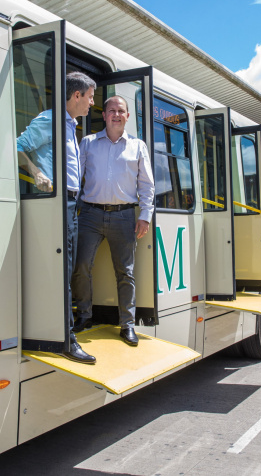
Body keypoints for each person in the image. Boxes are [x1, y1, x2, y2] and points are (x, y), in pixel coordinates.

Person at [16, 71, 96, 364]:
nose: (91, 104)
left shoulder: (70, 126)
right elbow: (17, 148)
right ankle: (66, 339)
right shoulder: (50, 120)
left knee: (69, 267)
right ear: (76, 95)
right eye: (89, 98)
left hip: (73, 205)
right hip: (57, 203)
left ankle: (62, 331)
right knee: (62, 270)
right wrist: (36, 172)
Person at [72, 95, 154, 347]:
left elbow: (147, 185)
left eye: (121, 111)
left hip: (124, 216)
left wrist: (144, 216)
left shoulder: (138, 146)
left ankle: (127, 325)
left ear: (127, 116)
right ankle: (84, 316)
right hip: (90, 214)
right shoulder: (88, 143)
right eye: (111, 111)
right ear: (104, 115)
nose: (116, 115)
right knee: (82, 266)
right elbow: (75, 178)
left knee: (125, 273)